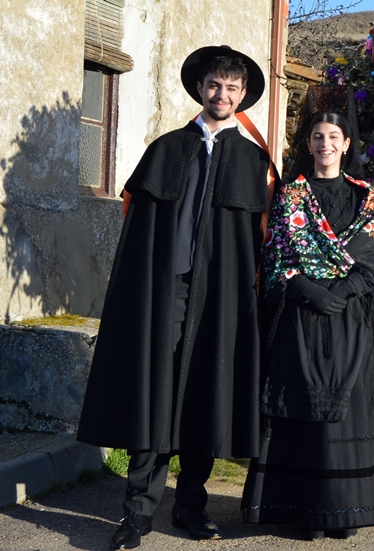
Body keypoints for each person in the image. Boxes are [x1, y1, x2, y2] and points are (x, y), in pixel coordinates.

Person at [77, 45, 274, 549]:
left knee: (206, 392)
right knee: (154, 391)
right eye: (214, 85)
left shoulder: (256, 162)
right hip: (167, 292)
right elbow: (137, 234)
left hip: (222, 299)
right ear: (200, 88)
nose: (222, 94)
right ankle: (136, 513)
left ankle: (191, 504)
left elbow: (265, 240)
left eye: (232, 88)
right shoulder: (167, 148)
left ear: (244, 94)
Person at [240, 109, 374, 540]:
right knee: (303, 411)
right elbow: (275, 257)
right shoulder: (291, 195)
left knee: (347, 411)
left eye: (334, 136)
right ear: (308, 144)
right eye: (317, 136)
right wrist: (307, 292)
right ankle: (303, 512)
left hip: (349, 319)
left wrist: (346, 290)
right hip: (300, 317)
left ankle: (345, 512)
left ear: (347, 144)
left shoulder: (364, 195)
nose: (325, 144)